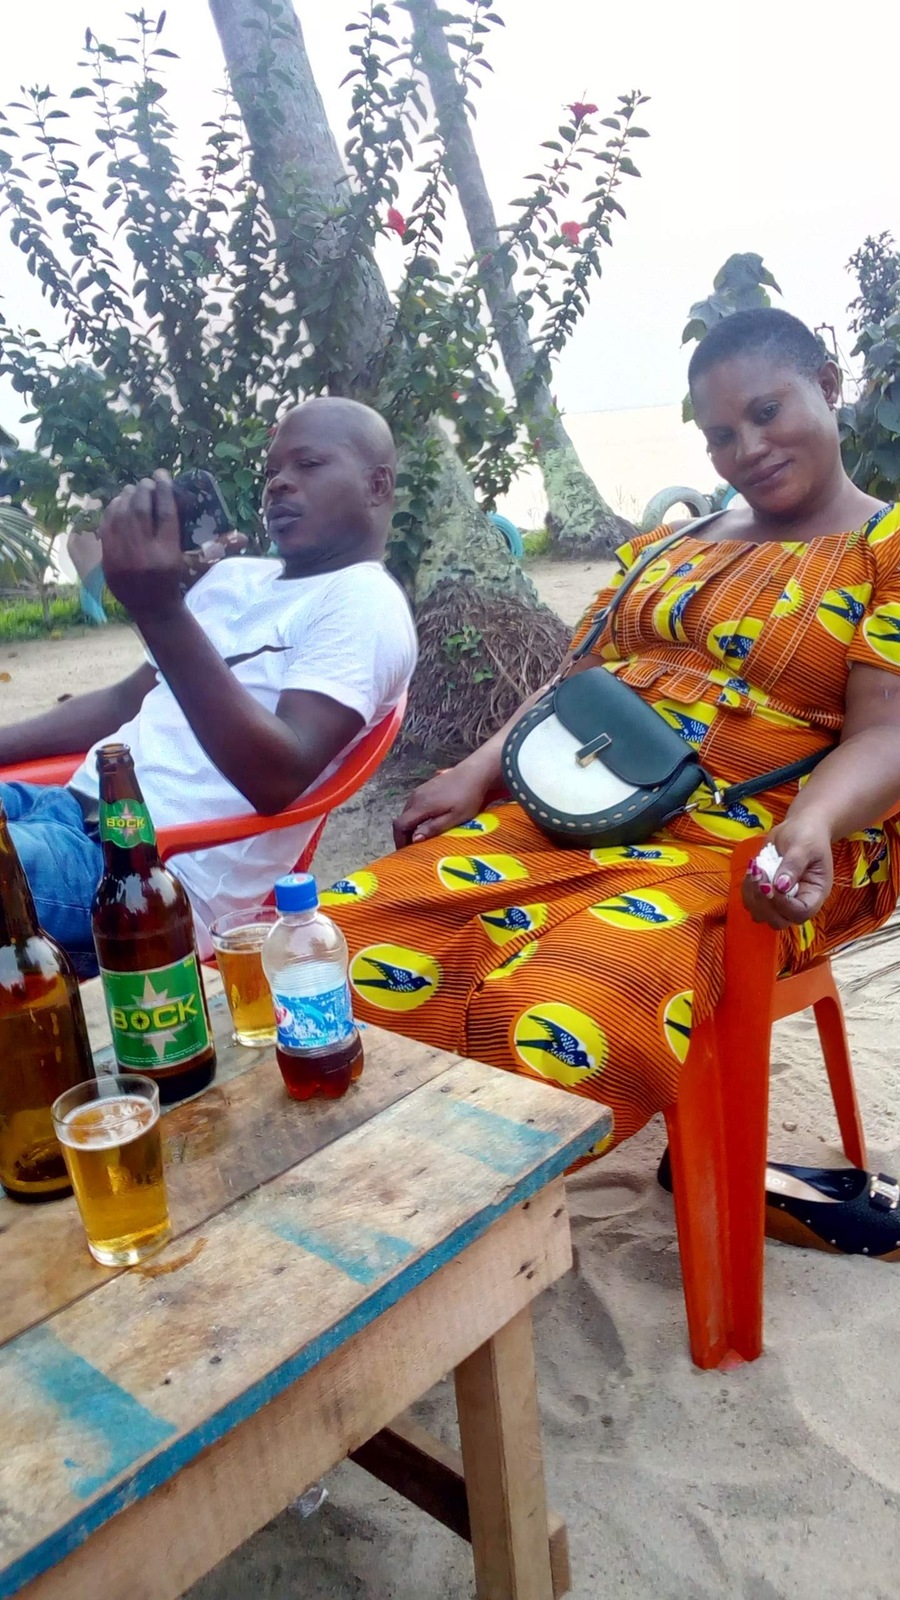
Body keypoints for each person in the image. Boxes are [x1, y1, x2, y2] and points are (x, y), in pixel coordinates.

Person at [326, 309, 900, 1178]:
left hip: (772, 840)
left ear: (827, 385)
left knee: (570, 999)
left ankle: (473, 1183)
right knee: (339, 936)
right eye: (720, 436)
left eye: (766, 412)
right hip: (585, 804)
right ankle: (400, 1173)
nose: (747, 449)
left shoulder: (884, 551)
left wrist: (814, 822)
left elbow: (888, 732)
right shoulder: (669, 547)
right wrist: (476, 771)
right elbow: (575, 684)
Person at [0, 397, 417, 973]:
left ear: (377, 485)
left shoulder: (363, 603)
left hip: (145, 877)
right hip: (65, 809)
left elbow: (277, 779)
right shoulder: (233, 579)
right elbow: (125, 701)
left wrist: (159, 610)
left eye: (308, 464)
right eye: (272, 471)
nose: (278, 484)